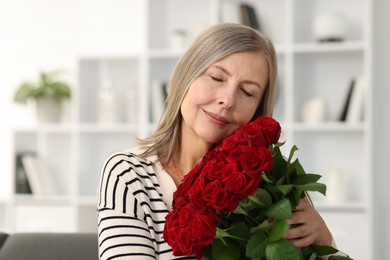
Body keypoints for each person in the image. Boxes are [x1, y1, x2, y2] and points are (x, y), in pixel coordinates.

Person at [97, 23, 337, 259]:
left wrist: (325, 240)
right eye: (217, 77)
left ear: (257, 110)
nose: (228, 100)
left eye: (247, 92)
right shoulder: (128, 175)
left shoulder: (270, 174)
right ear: (185, 77)